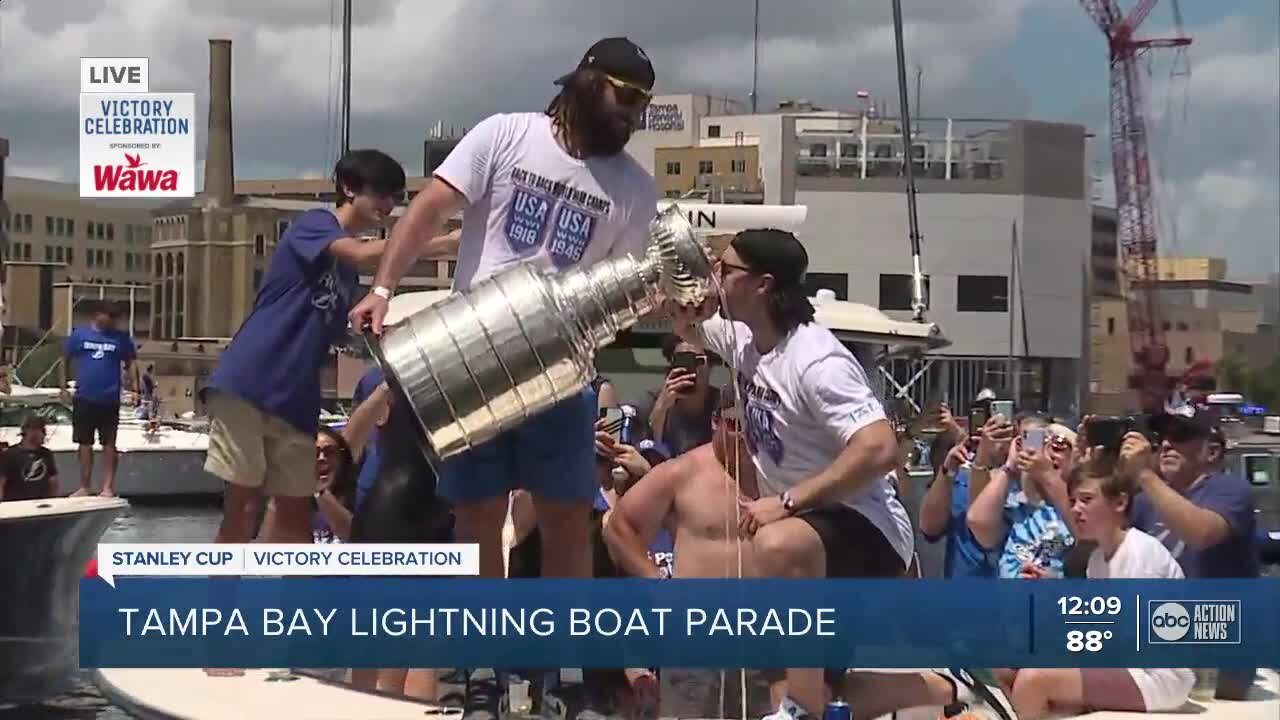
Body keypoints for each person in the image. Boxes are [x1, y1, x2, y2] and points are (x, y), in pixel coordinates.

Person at [349, 36, 659, 587]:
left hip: (564, 372)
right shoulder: (505, 134)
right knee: (478, 516)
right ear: (587, 83)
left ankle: (560, 664)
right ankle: (484, 657)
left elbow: (622, 282)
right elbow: (428, 209)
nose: (633, 113)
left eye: (643, 103)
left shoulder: (636, 187)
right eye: (625, 95)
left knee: (567, 518)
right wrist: (383, 289)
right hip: (473, 354)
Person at [668, 228, 917, 720]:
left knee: (778, 544)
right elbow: (692, 327)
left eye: (726, 270)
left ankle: (802, 708)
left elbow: (881, 446)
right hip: (812, 539)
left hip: (865, 531)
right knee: (795, 686)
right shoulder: (742, 338)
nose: (716, 278)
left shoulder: (816, 360)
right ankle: (939, 691)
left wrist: (786, 502)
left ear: (762, 285)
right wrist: (685, 316)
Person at [202, 149, 407, 548]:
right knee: (243, 509)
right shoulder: (315, 225)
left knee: (297, 517)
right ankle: (221, 609)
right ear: (348, 188)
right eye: (381, 192)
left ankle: (300, 608)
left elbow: (334, 328)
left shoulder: (346, 275)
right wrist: (439, 242)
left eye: (397, 197)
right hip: (251, 381)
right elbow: (363, 253)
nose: (389, 204)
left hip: (297, 398)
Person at [1005, 457, 1193, 717]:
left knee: (1033, 680)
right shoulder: (1097, 560)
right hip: (1127, 667)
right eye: (1072, 502)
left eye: (1086, 500)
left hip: (1157, 677)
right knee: (1003, 667)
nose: (1075, 509)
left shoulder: (1141, 554)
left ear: (1120, 502)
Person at [1119, 406, 1259, 699]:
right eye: (1162, 437)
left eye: (1180, 435)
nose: (1167, 444)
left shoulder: (1232, 490)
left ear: (1211, 452)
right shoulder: (1144, 502)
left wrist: (1144, 474)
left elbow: (1202, 533)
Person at [61, 300, 139, 497]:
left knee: (109, 445)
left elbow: (131, 363)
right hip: (85, 396)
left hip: (110, 398)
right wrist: (63, 388)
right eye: (109, 316)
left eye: (115, 317)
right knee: (84, 443)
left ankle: (107, 487)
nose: (113, 321)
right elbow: (64, 360)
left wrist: (136, 389)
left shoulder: (121, 339)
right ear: (97, 314)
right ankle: (85, 486)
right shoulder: (79, 335)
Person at [640, 335, 721, 457]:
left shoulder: (722, 403)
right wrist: (661, 410)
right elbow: (646, 452)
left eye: (698, 361)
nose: (692, 368)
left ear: (710, 365)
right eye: (682, 360)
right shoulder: (652, 402)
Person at [0, 416, 59, 502]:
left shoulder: (47, 454)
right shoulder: (9, 455)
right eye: (42, 431)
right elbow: (1, 483)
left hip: (41, 505)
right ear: (30, 431)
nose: (44, 435)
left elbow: (53, 482)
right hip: (16, 506)